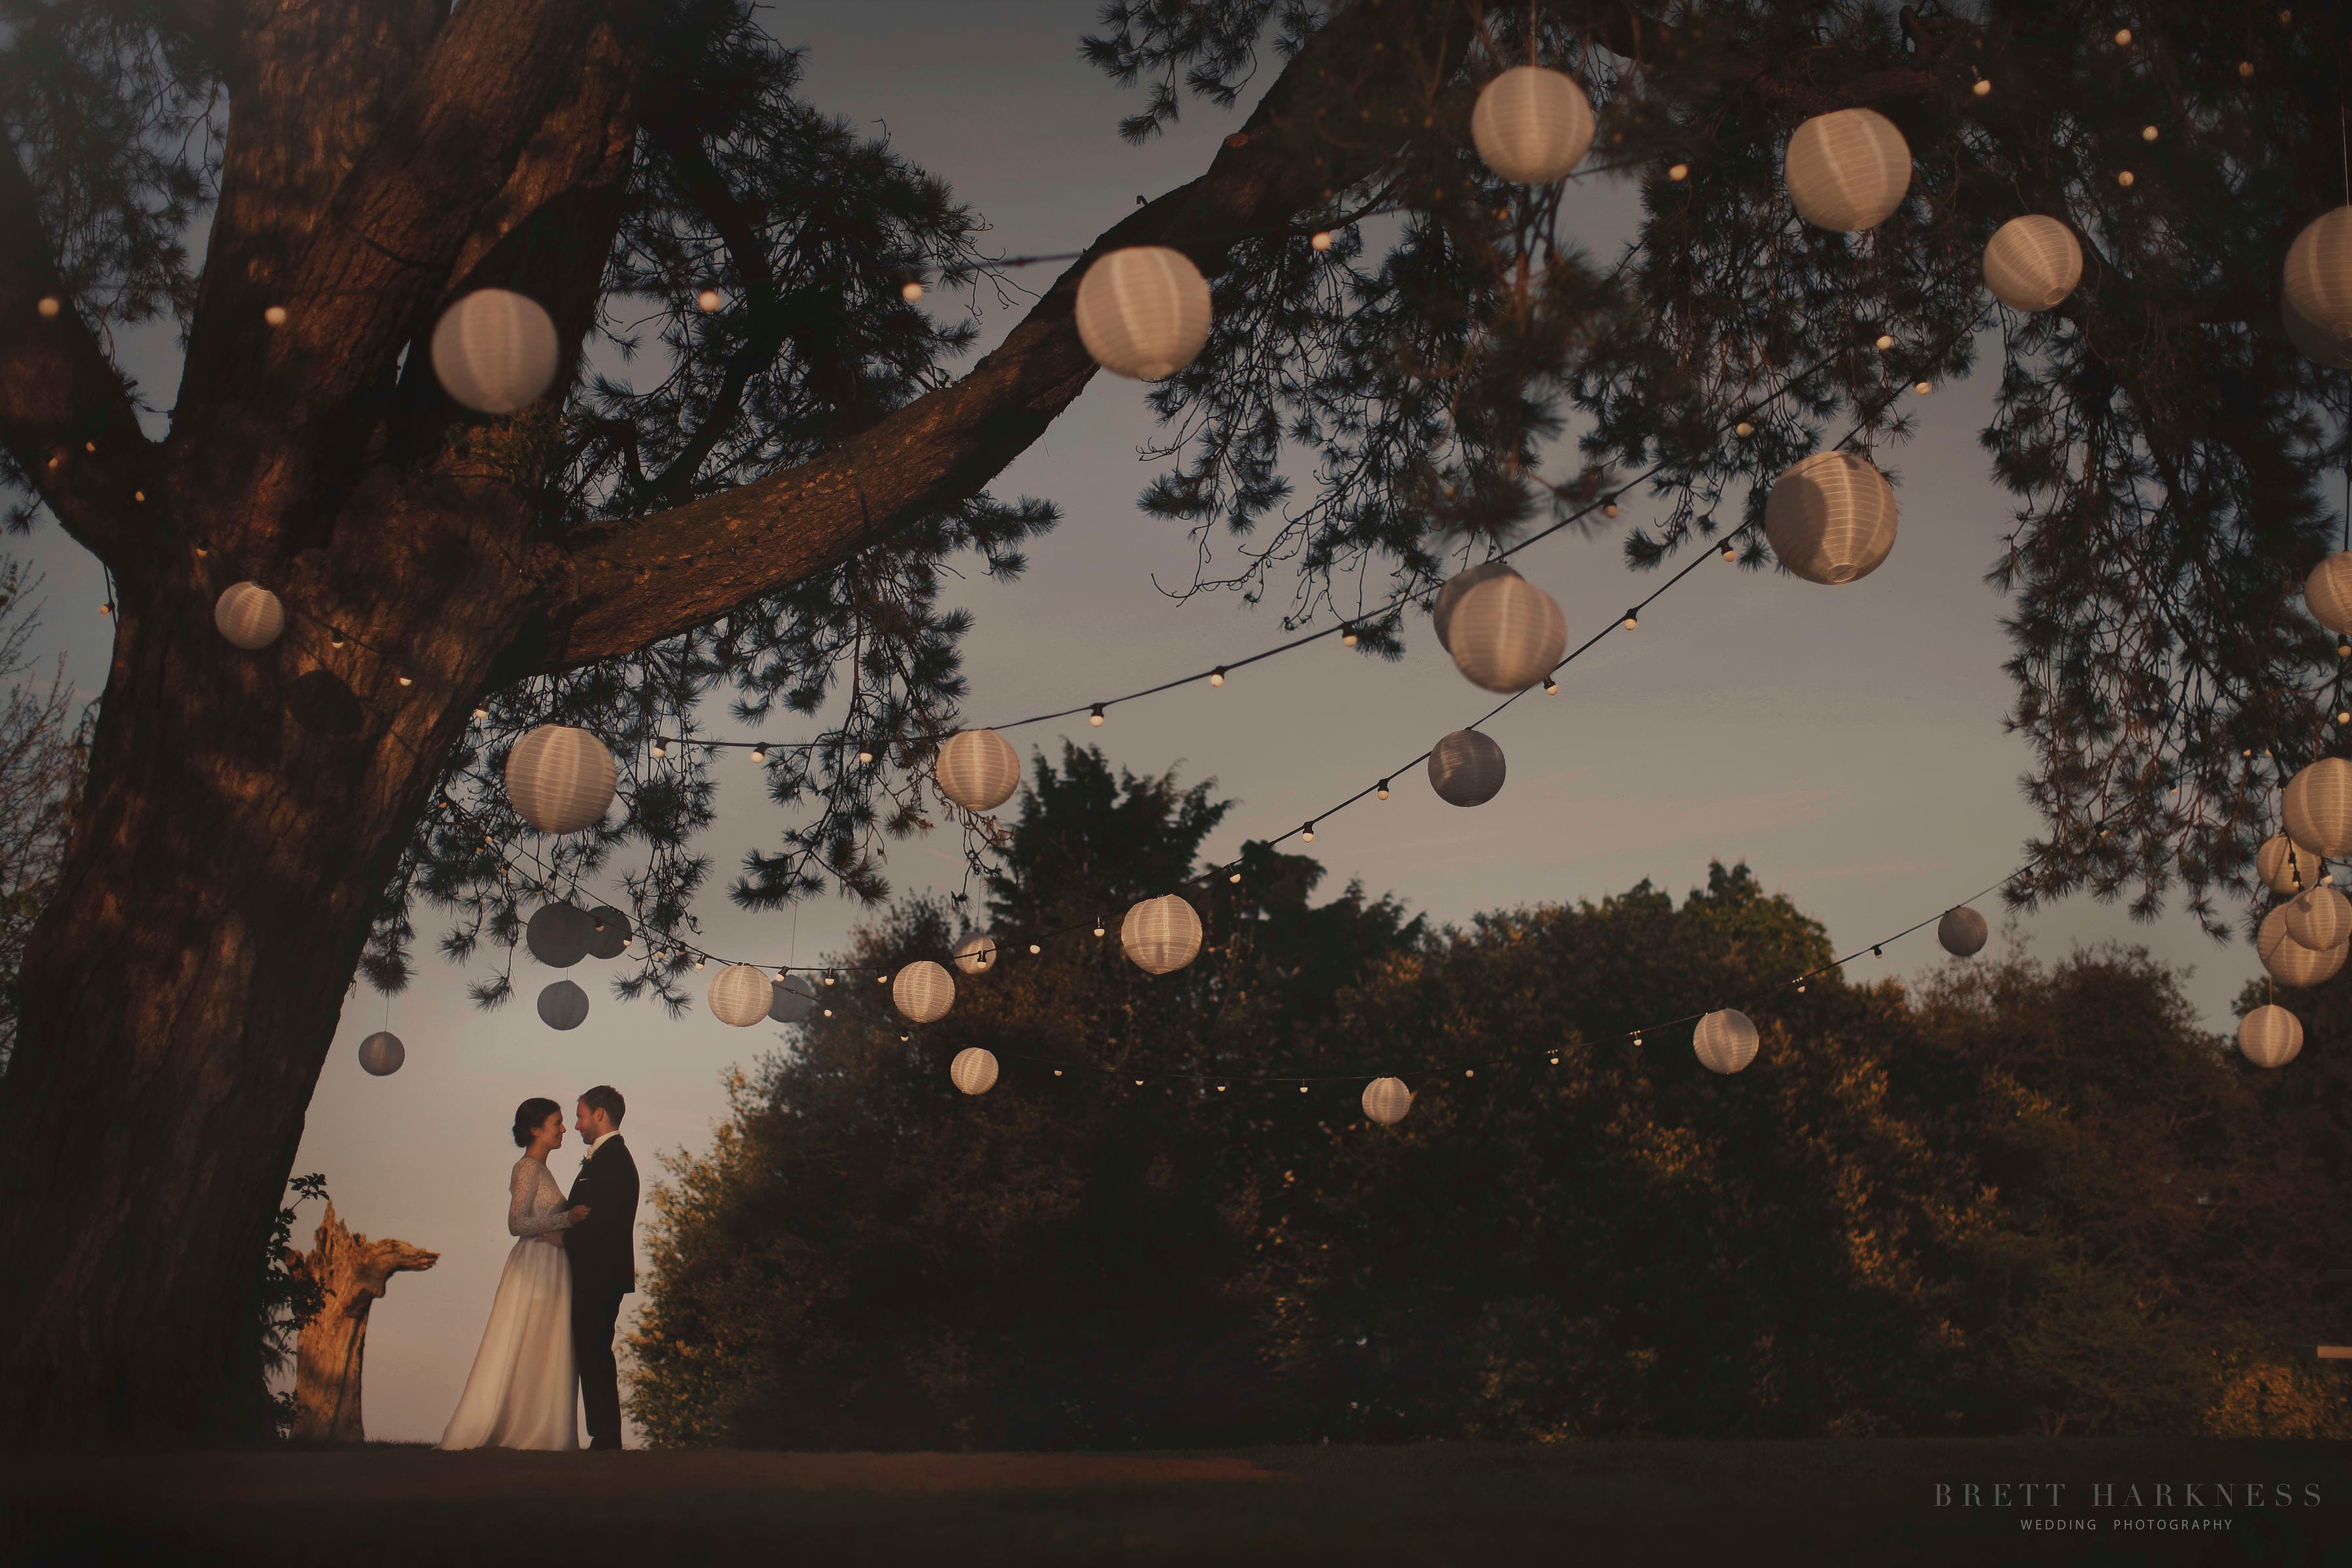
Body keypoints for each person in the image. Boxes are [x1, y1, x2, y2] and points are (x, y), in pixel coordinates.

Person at [436, 1098, 591, 1450]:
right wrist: (566, 1219)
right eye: (557, 1123)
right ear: (536, 1130)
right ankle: (518, 1426)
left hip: (550, 1263)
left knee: (543, 1345)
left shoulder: (541, 1169)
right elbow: (516, 1222)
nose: (565, 1129)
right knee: (526, 1340)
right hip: (535, 1265)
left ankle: (538, 1426)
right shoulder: (527, 1169)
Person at [564, 1084, 639, 1450]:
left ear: (599, 1114)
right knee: (591, 1349)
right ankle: (603, 1433)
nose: (576, 1125)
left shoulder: (613, 1161)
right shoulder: (606, 1158)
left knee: (594, 1350)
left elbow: (602, 1221)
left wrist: (560, 1241)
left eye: (579, 1116)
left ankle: (606, 1435)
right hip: (598, 1271)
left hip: (600, 1272)